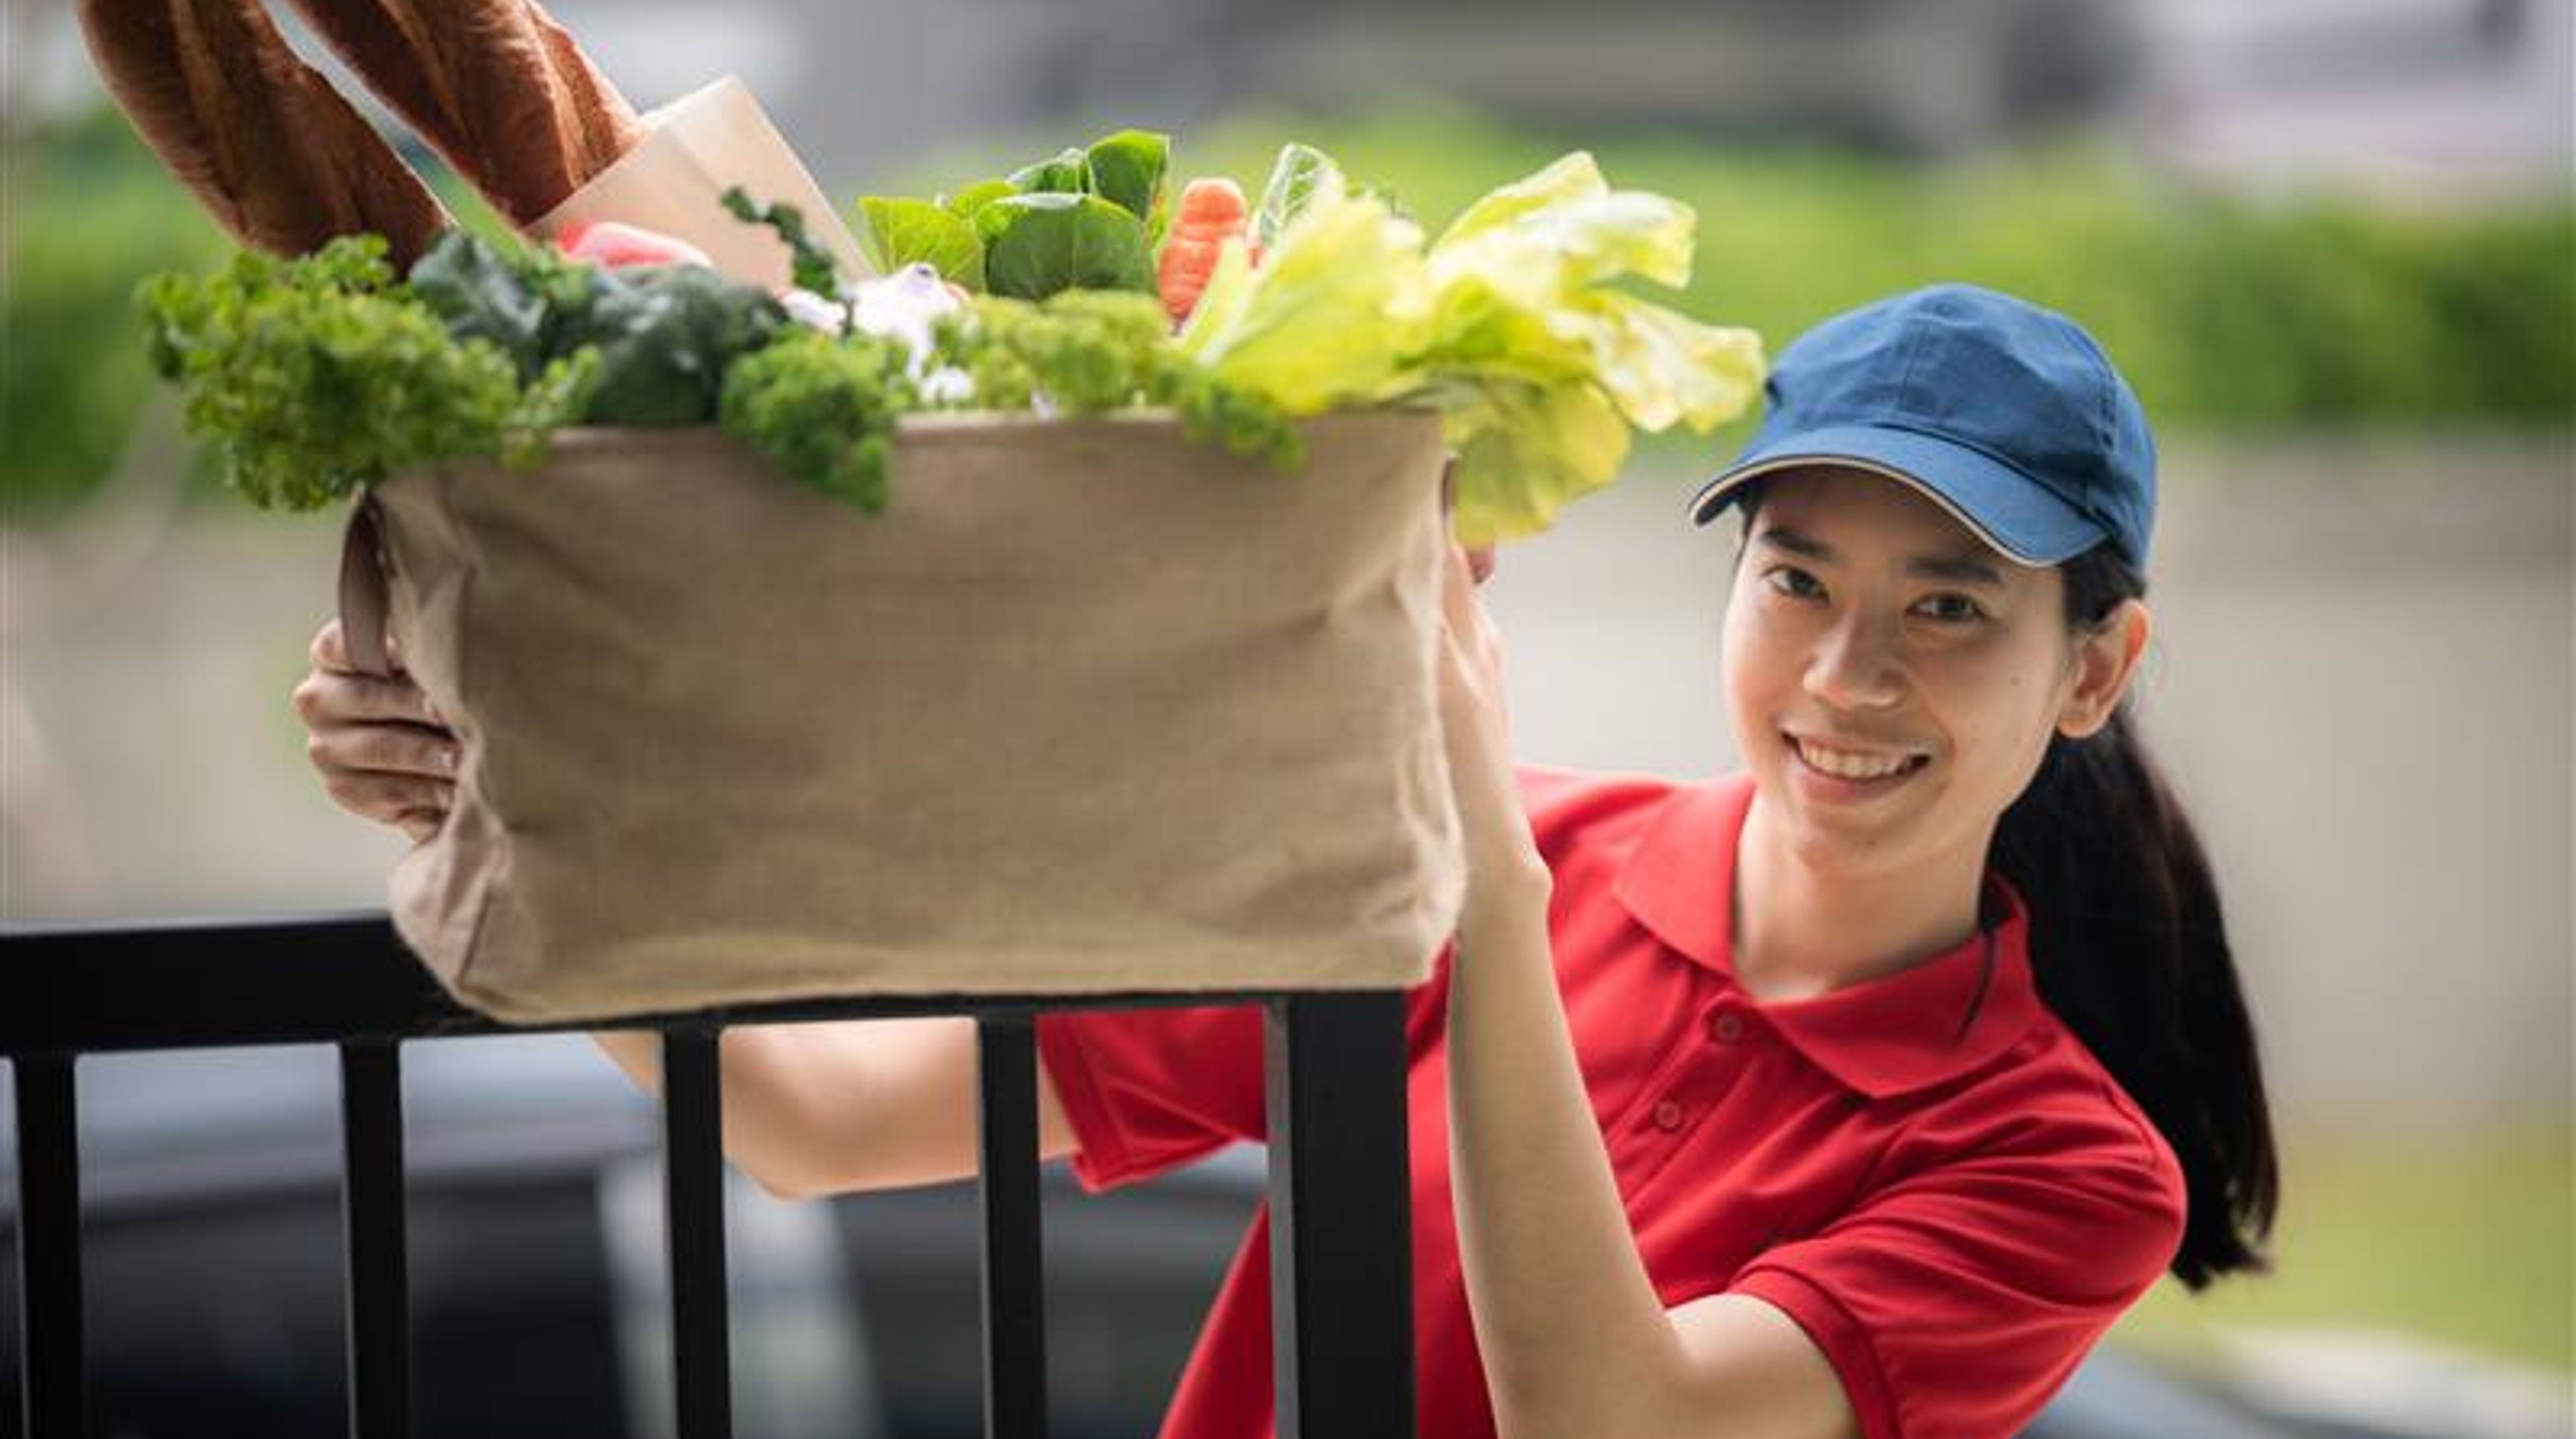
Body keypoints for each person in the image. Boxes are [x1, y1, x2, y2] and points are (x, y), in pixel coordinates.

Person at [293, 282, 2277, 1439]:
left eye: (1952, 609)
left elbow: (1621, 1418)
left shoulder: (2066, 1166)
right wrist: (509, 811)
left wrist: (1475, 861)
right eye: (1798, 578)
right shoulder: (1508, 856)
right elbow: (813, 1120)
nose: (1847, 674)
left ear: (2094, 667)